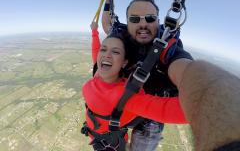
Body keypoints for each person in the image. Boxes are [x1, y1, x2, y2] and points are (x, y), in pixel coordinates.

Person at [102, 0, 193, 150]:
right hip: (123, 105)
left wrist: (202, 86)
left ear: (158, 21)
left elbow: (184, 69)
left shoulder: (168, 47)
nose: (142, 24)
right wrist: (108, 2)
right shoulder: (120, 38)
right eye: (135, 19)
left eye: (150, 18)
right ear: (128, 22)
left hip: (152, 113)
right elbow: (107, 23)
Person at [81, 22, 188, 151]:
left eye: (115, 52)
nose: (106, 55)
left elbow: (184, 112)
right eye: (103, 50)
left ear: (124, 62)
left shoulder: (126, 97)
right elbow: (96, 55)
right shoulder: (99, 74)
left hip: (108, 142)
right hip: (98, 136)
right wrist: (94, 32)